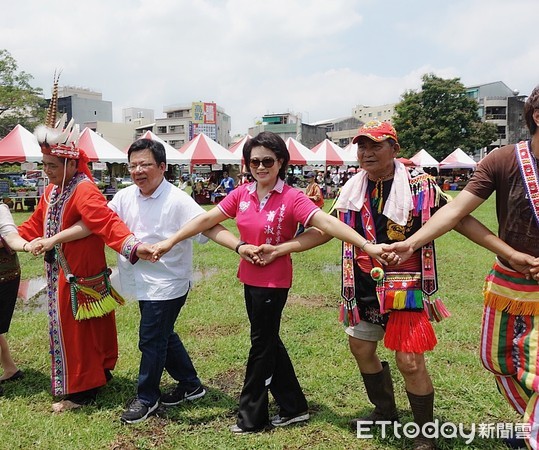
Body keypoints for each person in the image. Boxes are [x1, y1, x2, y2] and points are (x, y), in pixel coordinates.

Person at [249, 121, 527, 450]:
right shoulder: (352, 187)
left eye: (375, 146)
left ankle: (424, 433)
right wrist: (283, 248)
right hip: (362, 284)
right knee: (362, 348)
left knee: (410, 361)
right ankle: (385, 412)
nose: (366, 153)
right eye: (362, 147)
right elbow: (326, 229)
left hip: (407, 286)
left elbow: (458, 218)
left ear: (394, 149)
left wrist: (507, 253)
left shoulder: (420, 184)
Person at [149, 131, 398, 434]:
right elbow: (207, 219)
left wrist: (367, 246)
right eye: (254, 161)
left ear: (280, 162)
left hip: (274, 282)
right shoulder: (242, 193)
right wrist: (172, 241)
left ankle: (251, 417)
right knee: (268, 341)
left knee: (260, 347)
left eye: (268, 160)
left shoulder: (292, 197)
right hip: (248, 278)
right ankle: (294, 407)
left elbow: (328, 224)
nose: (261, 166)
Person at [385, 87, 539, 450]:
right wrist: (410, 243)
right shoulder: (503, 160)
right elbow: (454, 212)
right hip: (509, 279)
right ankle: (532, 423)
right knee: (495, 359)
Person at [17, 92, 151, 412]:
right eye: (44, 165)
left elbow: (105, 222)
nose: (46, 171)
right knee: (87, 328)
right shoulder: (52, 191)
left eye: (51, 165)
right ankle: (99, 372)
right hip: (67, 273)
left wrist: (132, 245)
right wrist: (12, 236)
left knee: (76, 330)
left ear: (69, 163)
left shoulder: (84, 188)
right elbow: (35, 225)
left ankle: (81, 390)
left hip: (79, 274)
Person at [108, 138, 246, 424]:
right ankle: (191, 385)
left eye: (144, 164)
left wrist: (239, 247)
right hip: (140, 280)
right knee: (163, 335)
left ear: (162, 167)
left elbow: (209, 226)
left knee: (151, 339)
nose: (137, 171)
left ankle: (147, 397)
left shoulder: (178, 200)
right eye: (132, 165)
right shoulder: (124, 197)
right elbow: (104, 221)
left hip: (167, 283)